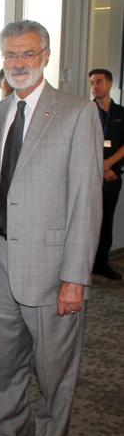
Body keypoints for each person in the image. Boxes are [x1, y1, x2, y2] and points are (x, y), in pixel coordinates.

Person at [0, 20, 103, 436]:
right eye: (11, 54)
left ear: (46, 56)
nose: (19, 62)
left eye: (28, 53)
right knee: (1, 368)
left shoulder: (77, 112)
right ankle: (5, 431)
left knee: (54, 374)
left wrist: (75, 277)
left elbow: (86, 201)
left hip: (51, 269)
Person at [89, 68, 124, 280]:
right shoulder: (85, 110)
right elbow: (82, 143)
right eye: (92, 83)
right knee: (88, 220)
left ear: (110, 84)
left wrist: (109, 165)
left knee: (106, 220)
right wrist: (101, 168)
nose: (95, 87)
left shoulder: (121, 113)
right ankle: (85, 263)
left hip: (112, 177)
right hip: (90, 176)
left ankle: (101, 262)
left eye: (99, 82)